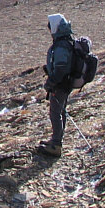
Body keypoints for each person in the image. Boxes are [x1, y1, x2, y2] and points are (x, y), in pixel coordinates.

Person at [38, 13, 74, 157]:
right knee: (61, 111)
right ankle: (56, 140)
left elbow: (61, 68)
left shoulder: (61, 45)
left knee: (55, 113)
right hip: (66, 83)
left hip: (60, 84)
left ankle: (56, 145)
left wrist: (51, 83)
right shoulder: (67, 41)